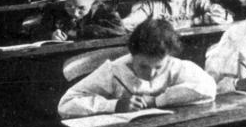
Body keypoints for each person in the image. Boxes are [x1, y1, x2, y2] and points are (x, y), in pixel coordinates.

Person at [57, 19, 217, 118]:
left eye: (158, 67)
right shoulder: (113, 70)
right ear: (132, 55)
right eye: (143, 66)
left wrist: (157, 100)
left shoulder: (175, 65)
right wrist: (115, 105)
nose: (151, 74)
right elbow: (66, 104)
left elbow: (208, 88)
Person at [31, 0, 125, 41]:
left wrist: (80, 33)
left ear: (94, 1)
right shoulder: (54, 9)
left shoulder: (105, 12)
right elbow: (37, 32)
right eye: (69, 6)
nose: (75, 13)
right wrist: (50, 35)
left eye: (82, 8)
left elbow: (120, 32)